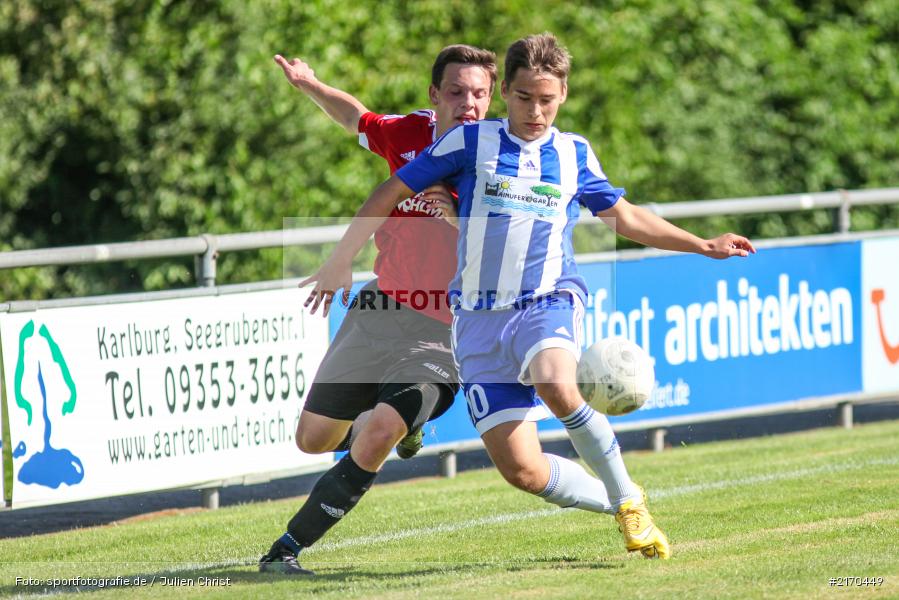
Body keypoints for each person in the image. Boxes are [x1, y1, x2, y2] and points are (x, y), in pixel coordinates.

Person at [302, 33, 757, 561]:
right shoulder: (469, 143)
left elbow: (626, 218)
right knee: (523, 470)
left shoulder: (573, 154)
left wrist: (702, 245)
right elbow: (390, 188)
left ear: (562, 95)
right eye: (524, 98)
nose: (535, 111)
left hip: (547, 299)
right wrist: (340, 258)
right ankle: (618, 504)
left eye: (547, 99)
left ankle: (630, 498)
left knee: (557, 382)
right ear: (507, 96)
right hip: (475, 320)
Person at [259, 45, 498, 574]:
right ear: (434, 95)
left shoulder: (502, 157)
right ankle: (386, 420)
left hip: (446, 331)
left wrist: (461, 218)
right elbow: (355, 117)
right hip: (381, 307)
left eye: (479, 93)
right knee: (312, 440)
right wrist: (308, 83)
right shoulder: (407, 135)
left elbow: (518, 240)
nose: (469, 104)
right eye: (456, 92)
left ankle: (286, 550)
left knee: (379, 431)